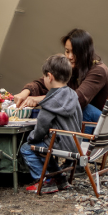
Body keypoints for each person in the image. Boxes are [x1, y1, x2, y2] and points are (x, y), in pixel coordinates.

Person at [20, 54, 82, 194]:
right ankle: (59, 179)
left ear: (50, 76)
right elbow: (79, 117)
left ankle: (45, 181)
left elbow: (41, 127)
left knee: (27, 148)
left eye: (44, 77)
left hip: (61, 143)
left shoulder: (50, 100)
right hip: (76, 142)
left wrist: (31, 138)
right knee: (47, 146)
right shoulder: (73, 95)